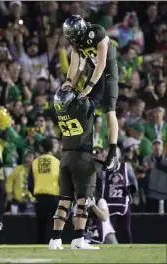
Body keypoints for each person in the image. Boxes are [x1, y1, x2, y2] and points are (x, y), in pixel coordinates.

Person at [62, 15, 119, 172]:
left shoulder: (97, 32)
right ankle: (83, 143)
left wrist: (88, 88)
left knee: (109, 110)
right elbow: (76, 65)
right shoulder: (77, 41)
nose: (73, 41)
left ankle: (113, 153)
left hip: (108, 72)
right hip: (95, 71)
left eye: (74, 36)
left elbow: (101, 64)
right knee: (83, 106)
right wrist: (69, 82)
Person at [49, 88, 99, 250]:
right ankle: (78, 239)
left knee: (64, 200)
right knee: (83, 200)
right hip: (82, 157)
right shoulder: (82, 107)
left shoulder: (60, 111)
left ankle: (55, 239)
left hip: (65, 157)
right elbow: (97, 93)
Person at [28, 137, 60, 244]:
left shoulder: (34, 163)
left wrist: (35, 195)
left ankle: (40, 245)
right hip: (55, 197)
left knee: (41, 226)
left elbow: (30, 184)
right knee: (56, 224)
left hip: (40, 198)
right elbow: (63, 182)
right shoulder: (57, 162)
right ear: (52, 148)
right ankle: (56, 243)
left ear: (41, 148)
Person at [103, 148, 138, 243]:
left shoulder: (126, 167)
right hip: (108, 204)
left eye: (114, 154)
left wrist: (132, 189)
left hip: (123, 203)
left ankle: (129, 248)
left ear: (118, 156)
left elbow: (133, 180)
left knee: (126, 229)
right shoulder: (102, 169)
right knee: (109, 229)